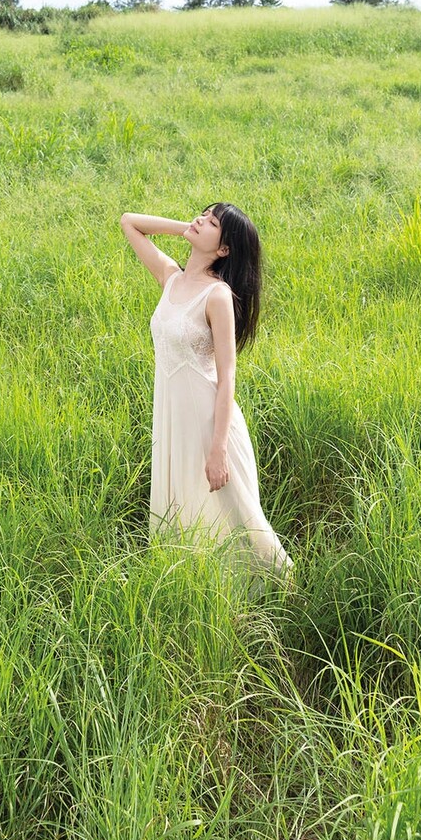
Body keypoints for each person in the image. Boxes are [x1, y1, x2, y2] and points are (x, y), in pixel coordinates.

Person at [120, 204, 292, 571]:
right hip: (174, 422)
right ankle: (196, 587)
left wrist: (218, 450)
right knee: (187, 511)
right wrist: (191, 228)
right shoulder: (171, 277)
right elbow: (130, 223)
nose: (200, 220)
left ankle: (286, 593)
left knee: (241, 517)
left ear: (225, 249)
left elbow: (228, 375)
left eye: (211, 222)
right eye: (203, 214)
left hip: (212, 427)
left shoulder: (218, 296)